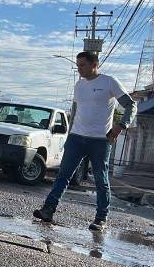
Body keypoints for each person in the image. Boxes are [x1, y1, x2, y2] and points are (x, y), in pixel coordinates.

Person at [33, 51, 137, 231]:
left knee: (100, 180)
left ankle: (100, 219)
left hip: (100, 140)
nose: (79, 68)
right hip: (76, 138)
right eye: (78, 65)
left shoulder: (109, 82)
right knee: (63, 175)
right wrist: (69, 134)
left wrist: (121, 125)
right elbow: (76, 111)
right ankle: (48, 210)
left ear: (94, 64)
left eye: (82, 65)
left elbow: (131, 105)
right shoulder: (79, 85)